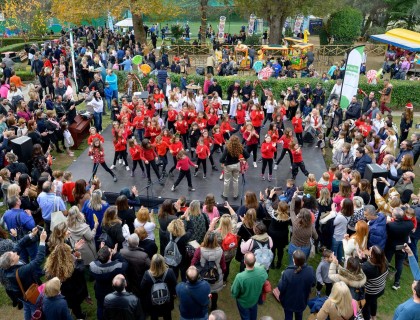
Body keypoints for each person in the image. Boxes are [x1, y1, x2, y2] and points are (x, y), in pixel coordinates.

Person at [0, 228, 47, 320]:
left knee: (26, 308)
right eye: (14, 255)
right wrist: (42, 241)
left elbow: (20, 244)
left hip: (21, 295)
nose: (15, 252)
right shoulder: (20, 271)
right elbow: (38, 260)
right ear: (12, 262)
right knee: (35, 309)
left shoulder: (8, 265)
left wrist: (31, 235)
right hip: (29, 294)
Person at [90, 245, 128, 320]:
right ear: (110, 256)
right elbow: (125, 264)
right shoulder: (117, 267)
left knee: (100, 307)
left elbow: (96, 261)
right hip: (112, 291)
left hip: (99, 290)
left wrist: (102, 253)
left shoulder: (92, 266)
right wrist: (116, 254)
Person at [191, 231, 226, 311]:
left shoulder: (199, 250)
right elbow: (223, 266)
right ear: (215, 240)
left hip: (203, 276)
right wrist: (222, 273)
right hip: (216, 276)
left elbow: (193, 263)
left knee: (204, 293)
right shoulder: (220, 251)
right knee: (214, 293)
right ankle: (214, 306)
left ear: (205, 239)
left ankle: (205, 306)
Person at [278, 249, 316, 320]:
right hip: (301, 301)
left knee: (288, 317)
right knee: (299, 316)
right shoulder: (310, 270)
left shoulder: (287, 273)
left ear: (294, 260)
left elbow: (281, 287)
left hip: (288, 301)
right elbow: (313, 283)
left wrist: (281, 278)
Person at [231, 252, 268, 320]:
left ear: (244, 262)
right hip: (254, 299)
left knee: (245, 317)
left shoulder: (240, 277)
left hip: (243, 302)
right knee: (253, 315)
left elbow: (234, 292)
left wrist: (236, 296)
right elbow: (265, 277)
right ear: (255, 261)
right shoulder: (262, 271)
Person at [140, 254, 177, 320]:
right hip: (167, 301)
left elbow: (142, 288)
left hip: (152, 301)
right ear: (163, 262)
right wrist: (173, 293)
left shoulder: (147, 274)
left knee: (154, 317)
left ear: (152, 263)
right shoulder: (170, 272)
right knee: (167, 316)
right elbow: (175, 285)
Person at [385, 207, 414, 290]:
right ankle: (397, 282)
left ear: (394, 216)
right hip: (402, 246)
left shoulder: (390, 225)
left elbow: (387, 233)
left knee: (386, 261)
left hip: (391, 246)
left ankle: (382, 277)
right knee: (399, 264)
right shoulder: (410, 224)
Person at [360, 245, 389, 320]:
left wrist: (361, 260)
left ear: (372, 255)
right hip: (380, 289)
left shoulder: (367, 267)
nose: (369, 249)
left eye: (370, 249)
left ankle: (367, 318)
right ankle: (374, 316)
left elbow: (361, 278)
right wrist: (366, 259)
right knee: (373, 301)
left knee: (365, 306)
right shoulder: (385, 261)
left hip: (370, 292)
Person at [220, 135, 249, 200]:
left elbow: (221, 159)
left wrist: (224, 162)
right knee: (235, 180)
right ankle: (235, 195)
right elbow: (247, 155)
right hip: (237, 165)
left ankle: (225, 195)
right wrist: (242, 159)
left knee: (227, 181)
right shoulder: (240, 147)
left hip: (228, 166)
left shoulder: (227, 148)